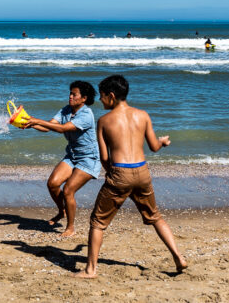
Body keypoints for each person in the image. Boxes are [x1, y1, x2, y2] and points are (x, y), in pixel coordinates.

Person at [74, 75, 187, 279]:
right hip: (142, 171)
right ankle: (178, 256)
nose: (100, 100)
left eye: (102, 97)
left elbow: (104, 157)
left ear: (111, 95)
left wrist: (112, 173)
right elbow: (153, 147)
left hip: (120, 173)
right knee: (155, 217)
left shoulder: (104, 121)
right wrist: (163, 142)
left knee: (97, 222)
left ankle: (90, 270)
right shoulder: (142, 115)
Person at [24, 81, 101, 237]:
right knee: (52, 184)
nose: (70, 96)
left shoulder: (86, 115)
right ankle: (62, 211)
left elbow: (63, 129)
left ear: (84, 98)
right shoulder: (66, 110)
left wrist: (36, 120)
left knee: (68, 191)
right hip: (72, 156)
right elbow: (48, 127)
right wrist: (28, 123)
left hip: (88, 159)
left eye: (74, 94)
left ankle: (70, 227)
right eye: (70, 93)